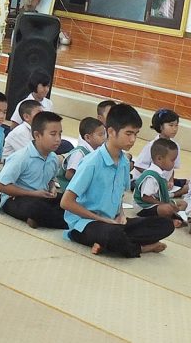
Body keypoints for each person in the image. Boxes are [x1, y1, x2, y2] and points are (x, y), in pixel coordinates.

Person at [60, 103, 176, 257]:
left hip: (112, 222)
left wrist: (121, 215)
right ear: (111, 132)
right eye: (128, 133)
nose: (133, 139)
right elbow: (66, 202)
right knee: (113, 234)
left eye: (136, 134)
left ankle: (110, 244)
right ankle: (141, 248)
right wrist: (101, 219)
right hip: (85, 223)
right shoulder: (92, 162)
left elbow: (120, 195)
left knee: (166, 224)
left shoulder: (124, 163)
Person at [0, 111, 67, 229]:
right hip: (16, 199)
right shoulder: (21, 157)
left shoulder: (53, 158)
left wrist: (52, 188)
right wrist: (32, 193)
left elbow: (51, 180)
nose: (58, 139)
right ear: (37, 135)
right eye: (53, 134)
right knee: (36, 208)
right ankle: (54, 220)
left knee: (69, 201)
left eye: (60, 134)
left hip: (42, 196)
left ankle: (41, 219)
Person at [133, 138, 186, 226]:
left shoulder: (160, 174)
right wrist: (163, 204)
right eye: (172, 160)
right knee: (167, 209)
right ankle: (168, 220)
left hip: (157, 202)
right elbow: (145, 197)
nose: (174, 164)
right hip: (143, 206)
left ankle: (173, 216)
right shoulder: (151, 176)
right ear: (159, 159)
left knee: (182, 203)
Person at [131, 109, 185, 195]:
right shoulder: (152, 145)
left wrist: (171, 180)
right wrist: (155, 178)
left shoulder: (175, 146)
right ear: (160, 127)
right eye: (171, 125)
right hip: (148, 181)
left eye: (176, 125)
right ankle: (167, 195)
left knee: (188, 185)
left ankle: (168, 193)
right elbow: (139, 166)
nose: (174, 129)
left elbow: (172, 168)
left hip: (164, 181)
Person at [59, 117, 106, 189]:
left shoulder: (98, 151)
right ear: (87, 137)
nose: (104, 137)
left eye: (104, 134)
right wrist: (85, 183)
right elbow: (69, 175)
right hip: (69, 189)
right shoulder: (80, 153)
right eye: (100, 135)